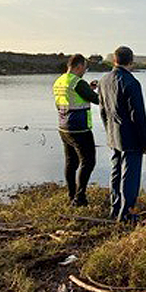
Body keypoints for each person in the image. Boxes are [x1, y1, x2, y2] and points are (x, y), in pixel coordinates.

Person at [97, 46, 146, 223]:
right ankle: (127, 214)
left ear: (114, 60)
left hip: (113, 135)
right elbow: (138, 115)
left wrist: (108, 132)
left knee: (116, 172)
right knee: (130, 177)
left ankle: (115, 209)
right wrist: (145, 141)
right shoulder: (131, 82)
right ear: (131, 62)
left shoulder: (103, 80)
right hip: (131, 137)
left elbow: (103, 111)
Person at [53, 54, 99, 206]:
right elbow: (98, 100)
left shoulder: (59, 81)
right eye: (85, 67)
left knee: (71, 162)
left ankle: (72, 195)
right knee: (89, 161)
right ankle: (80, 198)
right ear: (78, 66)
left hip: (63, 127)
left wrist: (88, 89)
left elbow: (70, 97)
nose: (85, 70)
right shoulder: (78, 82)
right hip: (79, 129)